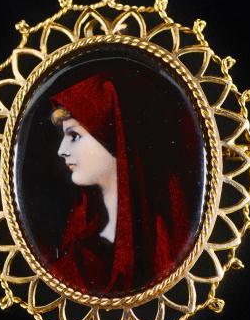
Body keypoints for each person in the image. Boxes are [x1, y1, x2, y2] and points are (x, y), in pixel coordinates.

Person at [48, 72, 197, 297]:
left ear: (116, 136)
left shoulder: (168, 243)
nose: (62, 150)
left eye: (75, 136)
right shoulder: (79, 236)